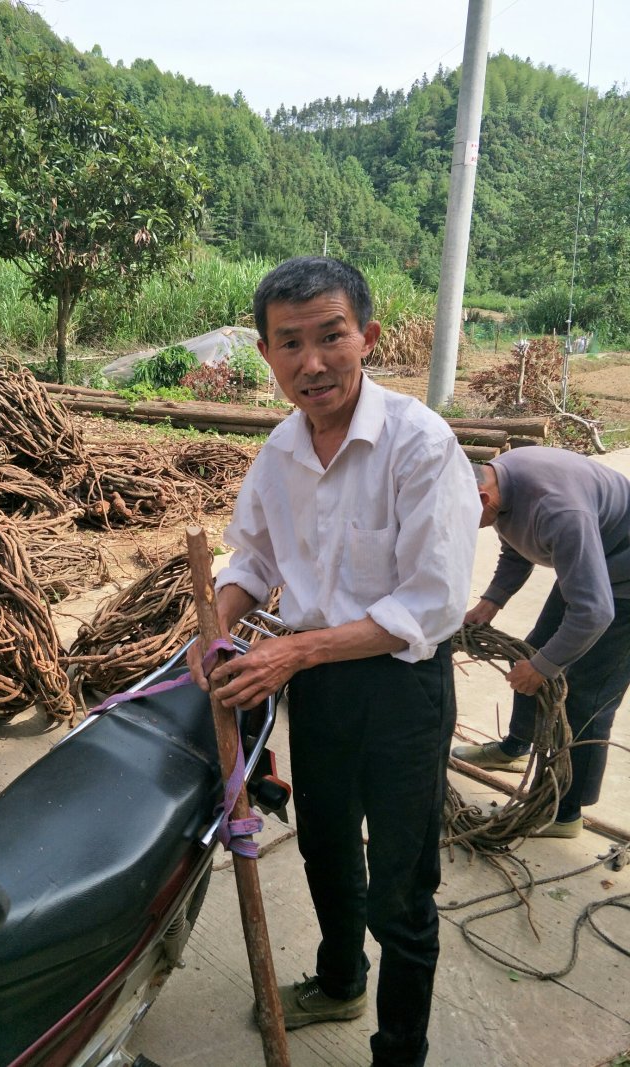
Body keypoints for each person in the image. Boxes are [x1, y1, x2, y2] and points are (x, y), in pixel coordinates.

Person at [188, 256, 480, 1067]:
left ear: (369, 338)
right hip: (316, 687)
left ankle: (399, 1050)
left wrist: (291, 650)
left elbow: (430, 606)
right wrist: (218, 618)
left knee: (401, 886)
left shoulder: (421, 447)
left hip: (400, 690)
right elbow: (252, 556)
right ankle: (341, 978)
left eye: (331, 336)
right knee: (322, 844)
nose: (312, 362)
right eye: (291, 343)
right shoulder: (281, 451)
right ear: (266, 354)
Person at [452, 450, 630, 838]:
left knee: (585, 695)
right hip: (596, 564)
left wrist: (544, 668)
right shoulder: (503, 487)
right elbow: (516, 541)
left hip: (623, 582)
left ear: (482, 499)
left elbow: (595, 612)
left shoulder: (558, 509)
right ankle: (517, 748)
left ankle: (563, 811)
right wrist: (493, 599)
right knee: (533, 651)